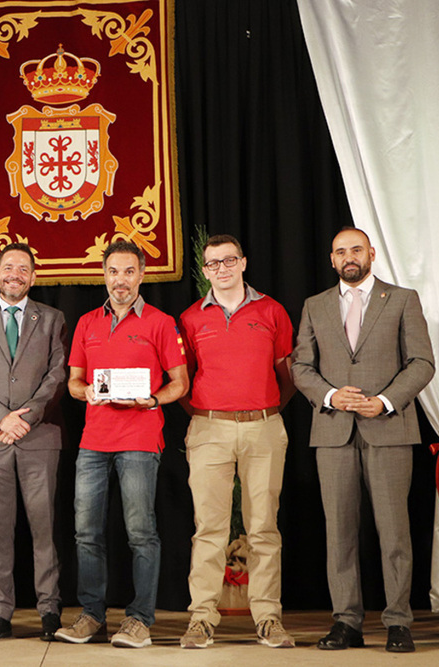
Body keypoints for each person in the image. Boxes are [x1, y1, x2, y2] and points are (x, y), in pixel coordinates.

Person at [292, 227, 434, 653]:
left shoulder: (403, 299)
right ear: (332, 260)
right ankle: (347, 623)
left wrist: (387, 401)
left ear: (371, 253)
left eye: (356, 249)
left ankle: (398, 623)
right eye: (340, 251)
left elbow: (422, 362)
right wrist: (332, 395)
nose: (349, 257)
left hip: (389, 430)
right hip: (334, 432)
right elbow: (302, 367)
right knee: (340, 533)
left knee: (394, 532)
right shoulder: (315, 306)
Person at [57, 240, 187, 648]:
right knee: (85, 533)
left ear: (142, 274)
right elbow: (74, 381)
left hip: (140, 438)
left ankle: (139, 620)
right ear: (105, 274)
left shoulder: (161, 323)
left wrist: (151, 399)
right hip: (93, 441)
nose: (121, 280)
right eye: (114, 271)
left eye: (129, 272)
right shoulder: (86, 323)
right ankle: (92, 615)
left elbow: (179, 383)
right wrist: (86, 393)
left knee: (140, 531)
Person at [177, 234, 295, 649]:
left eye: (229, 261)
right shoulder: (191, 318)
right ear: (206, 270)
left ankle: (267, 617)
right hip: (209, 429)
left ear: (243, 263)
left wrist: (261, 409)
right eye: (213, 264)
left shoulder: (272, 311)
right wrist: (212, 415)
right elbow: (183, 381)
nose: (221, 269)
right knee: (209, 528)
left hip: (264, 426)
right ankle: (202, 618)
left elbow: (287, 376)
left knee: (263, 527)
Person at [0, 243, 66, 642]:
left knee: (44, 529)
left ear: (33, 277)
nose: (15, 274)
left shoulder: (53, 318)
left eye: (23, 268)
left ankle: (49, 611)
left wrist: (27, 417)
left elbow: (57, 374)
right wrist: (2, 417)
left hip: (39, 436)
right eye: (8, 267)